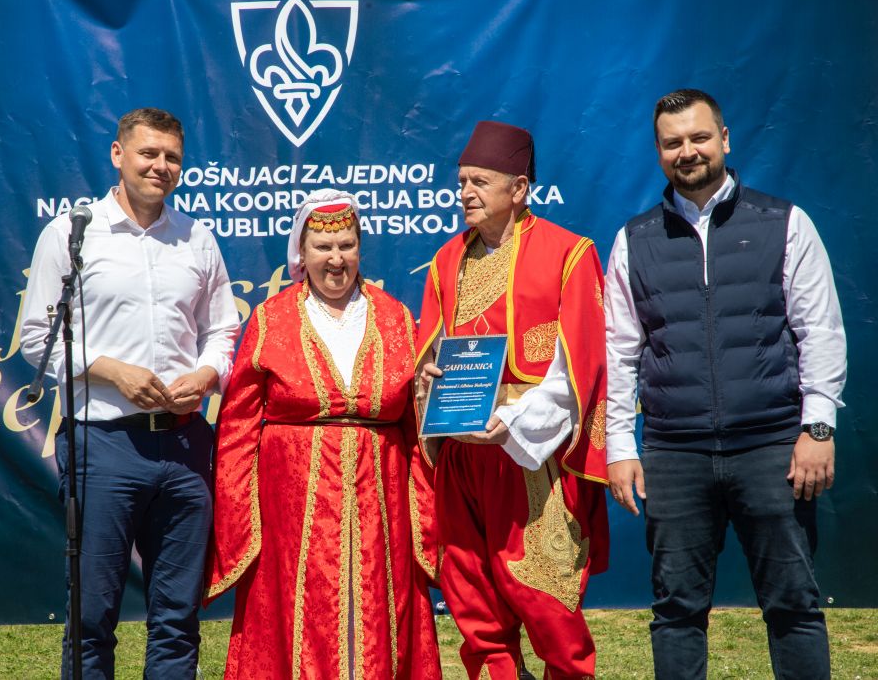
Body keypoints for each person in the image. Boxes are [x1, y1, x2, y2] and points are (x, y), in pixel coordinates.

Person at [604, 89, 847, 679]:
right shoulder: (634, 239)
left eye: (699, 137)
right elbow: (619, 352)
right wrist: (619, 446)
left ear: (725, 139)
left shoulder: (785, 223)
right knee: (676, 612)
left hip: (773, 448)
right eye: (673, 143)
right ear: (658, 151)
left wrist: (818, 428)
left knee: (794, 607)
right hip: (674, 452)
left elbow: (820, 331)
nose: (687, 151)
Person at [21, 108, 240, 679]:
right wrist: (111, 371)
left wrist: (207, 374)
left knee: (178, 619)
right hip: (103, 445)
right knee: (92, 618)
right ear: (118, 155)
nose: (160, 166)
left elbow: (222, 329)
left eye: (172, 157)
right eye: (148, 153)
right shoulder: (71, 234)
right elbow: (37, 338)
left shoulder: (197, 238)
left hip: (185, 446)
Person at [206, 189, 441, 679]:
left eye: (347, 245)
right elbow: (238, 424)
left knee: (379, 607)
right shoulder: (271, 319)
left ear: (360, 249)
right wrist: (240, 511)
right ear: (302, 252)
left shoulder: (395, 317)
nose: (336, 259)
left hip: (381, 501)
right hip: (291, 507)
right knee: (297, 610)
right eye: (323, 247)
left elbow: (415, 426)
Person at [415, 121, 609, 679]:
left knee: (546, 603)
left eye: (479, 182)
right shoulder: (445, 260)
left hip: (529, 454)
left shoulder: (569, 253)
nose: (465, 193)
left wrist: (512, 422)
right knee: (473, 601)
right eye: (461, 182)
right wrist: (429, 380)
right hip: (462, 454)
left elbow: (578, 367)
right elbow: (431, 356)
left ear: (519, 188)